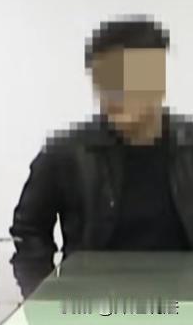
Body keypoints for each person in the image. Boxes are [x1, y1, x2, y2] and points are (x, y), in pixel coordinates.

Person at [10, 17, 193, 295]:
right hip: (94, 307)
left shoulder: (187, 148)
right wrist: (44, 299)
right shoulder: (66, 154)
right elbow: (29, 233)